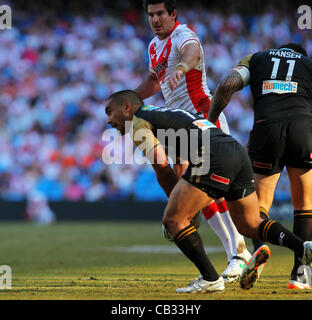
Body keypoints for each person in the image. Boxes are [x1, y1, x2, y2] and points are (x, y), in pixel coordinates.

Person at [105, 89, 312, 293]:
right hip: (234, 150)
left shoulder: (138, 123)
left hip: (211, 156)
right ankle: (303, 247)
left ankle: (210, 279)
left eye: (109, 111)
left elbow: (161, 166)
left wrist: (177, 208)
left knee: (173, 220)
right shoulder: (163, 113)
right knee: (250, 224)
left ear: (126, 107)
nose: (108, 120)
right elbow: (179, 159)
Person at [135, 0, 251, 282]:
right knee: (198, 188)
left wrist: (182, 68)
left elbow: (192, 52)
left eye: (160, 13)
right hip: (179, 124)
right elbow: (154, 79)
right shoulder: (154, 46)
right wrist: (130, 100)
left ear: (173, 14)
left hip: (203, 115)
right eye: (150, 14)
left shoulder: (182, 34)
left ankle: (240, 252)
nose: (155, 19)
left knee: (213, 186)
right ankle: (239, 252)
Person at [208, 43, 312, 290]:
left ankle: (260, 248)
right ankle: (301, 274)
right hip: (302, 128)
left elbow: (226, 86)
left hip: (267, 129)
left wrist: (211, 120)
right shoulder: (308, 65)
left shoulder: (256, 59)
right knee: (305, 203)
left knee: (261, 204)